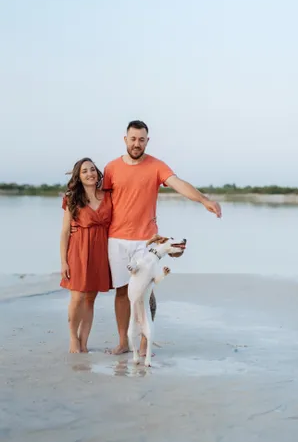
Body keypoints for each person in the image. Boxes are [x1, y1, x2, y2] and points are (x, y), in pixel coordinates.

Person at [103, 120, 222, 356]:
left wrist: (204, 200)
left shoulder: (156, 166)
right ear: (125, 139)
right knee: (122, 292)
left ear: (147, 140)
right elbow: (101, 201)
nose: (137, 144)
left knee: (147, 292)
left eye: (141, 139)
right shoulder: (111, 168)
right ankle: (123, 342)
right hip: (116, 239)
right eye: (133, 139)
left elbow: (179, 184)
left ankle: (145, 343)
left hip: (146, 240)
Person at [60, 157, 112, 353]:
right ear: (79, 177)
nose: (90, 173)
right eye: (84, 171)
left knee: (91, 298)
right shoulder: (72, 198)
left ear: (98, 173)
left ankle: (84, 342)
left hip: (101, 250)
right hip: (78, 250)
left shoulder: (109, 196)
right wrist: (63, 261)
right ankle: (73, 338)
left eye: (92, 169)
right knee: (77, 297)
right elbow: (65, 231)